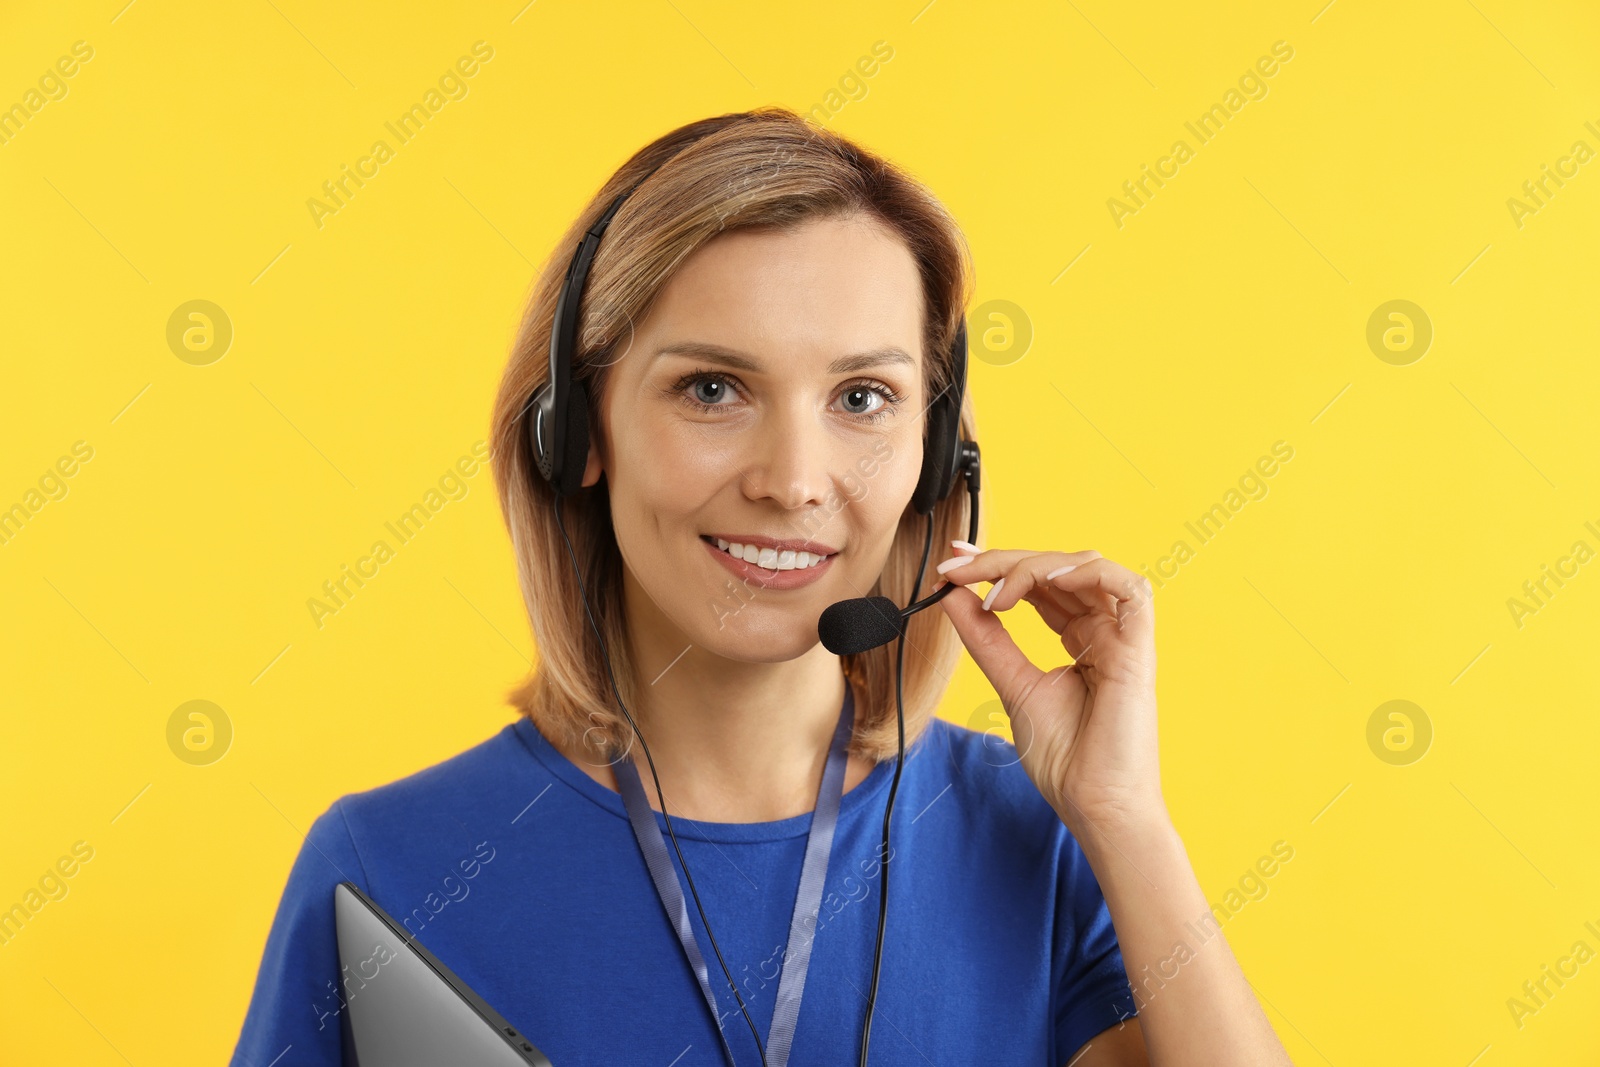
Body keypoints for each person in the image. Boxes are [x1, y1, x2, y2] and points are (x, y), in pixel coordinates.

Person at [231, 106, 1291, 1066]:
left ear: (939, 453)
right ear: (576, 431)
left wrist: (1124, 817)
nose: (791, 481)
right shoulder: (389, 863)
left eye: (863, 397)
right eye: (711, 388)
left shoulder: (1032, 835)